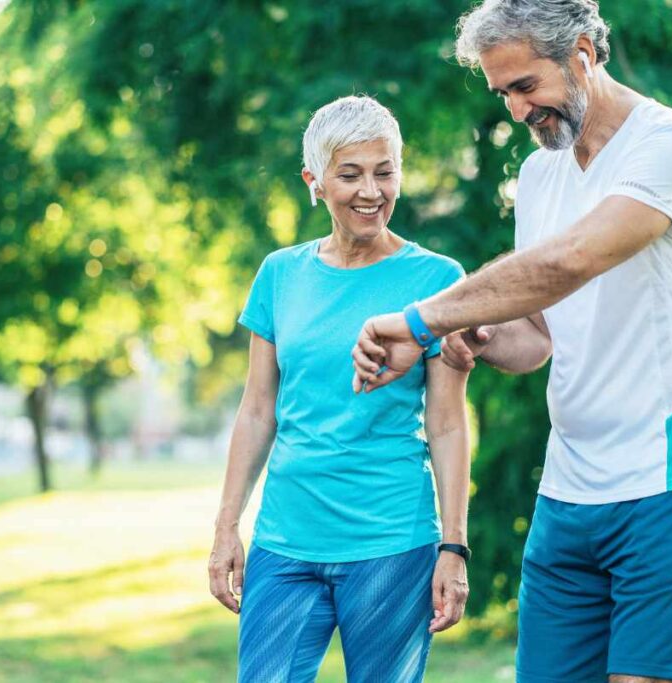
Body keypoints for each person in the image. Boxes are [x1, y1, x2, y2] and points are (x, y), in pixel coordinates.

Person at [350, 2, 672, 682]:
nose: (517, 110)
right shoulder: (540, 176)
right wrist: (472, 336)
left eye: (524, 85)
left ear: (580, 53)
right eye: (502, 93)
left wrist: (422, 317)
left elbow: (569, 261)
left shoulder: (669, 146)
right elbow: (539, 335)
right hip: (572, 485)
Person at [209, 95, 472, 682]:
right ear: (315, 182)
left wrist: (453, 548)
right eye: (350, 174)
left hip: (391, 542)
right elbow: (257, 411)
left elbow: (448, 423)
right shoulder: (280, 274)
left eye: (385, 172)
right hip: (286, 539)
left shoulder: (438, 280)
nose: (371, 192)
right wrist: (227, 524)